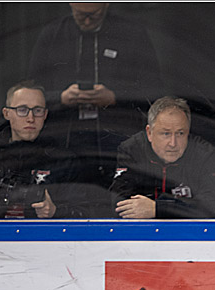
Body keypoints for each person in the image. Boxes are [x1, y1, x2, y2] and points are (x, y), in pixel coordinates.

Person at [28, 3, 162, 186]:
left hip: (117, 133)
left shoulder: (131, 33)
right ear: (70, 5)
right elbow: (31, 91)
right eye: (81, 15)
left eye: (94, 14)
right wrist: (61, 97)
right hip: (65, 136)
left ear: (106, 5)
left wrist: (115, 97)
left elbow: (154, 89)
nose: (88, 20)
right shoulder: (53, 34)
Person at [0, 81, 88, 220]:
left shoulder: (63, 159)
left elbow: (84, 213)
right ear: (7, 113)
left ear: (45, 115)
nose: (30, 118)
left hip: (44, 241)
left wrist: (55, 212)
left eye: (37, 110)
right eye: (22, 110)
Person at [109, 96, 215, 219]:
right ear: (149, 133)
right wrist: (181, 208)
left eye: (180, 133)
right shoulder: (132, 149)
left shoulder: (203, 153)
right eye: (166, 133)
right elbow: (119, 205)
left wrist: (158, 209)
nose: (173, 143)